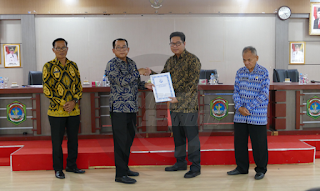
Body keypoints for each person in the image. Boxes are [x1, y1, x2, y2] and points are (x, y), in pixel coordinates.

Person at [142, 31, 201, 178]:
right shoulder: (170, 61)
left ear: (184, 44)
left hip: (188, 106)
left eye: (177, 43)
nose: (174, 46)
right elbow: (163, 78)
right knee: (178, 137)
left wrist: (179, 98)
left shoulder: (193, 60)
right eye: (172, 44)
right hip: (174, 107)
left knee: (192, 138)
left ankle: (195, 167)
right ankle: (180, 163)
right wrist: (151, 75)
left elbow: (193, 84)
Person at [105, 38, 153, 184]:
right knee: (120, 142)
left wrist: (146, 85)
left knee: (128, 140)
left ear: (128, 49)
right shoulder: (111, 64)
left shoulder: (131, 63)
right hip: (119, 108)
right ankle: (120, 175)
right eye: (118, 47)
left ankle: (125, 168)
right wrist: (138, 72)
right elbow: (120, 81)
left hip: (132, 107)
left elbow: (136, 82)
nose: (121, 49)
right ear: (113, 50)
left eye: (124, 47)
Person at [42, 38, 85, 179]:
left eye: (63, 47)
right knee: (57, 142)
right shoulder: (48, 66)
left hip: (74, 110)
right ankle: (58, 169)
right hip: (56, 111)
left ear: (67, 49)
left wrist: (74, 101)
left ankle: (72, 166)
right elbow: (47, 90)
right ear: (53, 50)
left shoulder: (73, 65)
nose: (61, 50)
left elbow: (79, 87)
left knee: (73, 140)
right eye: (58, 48)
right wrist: (63, 103)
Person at [227, 46, 270, 180]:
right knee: (239, 143)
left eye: (249, 60)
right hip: (240, 115)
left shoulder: (264, 72)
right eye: (244, 60)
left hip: (257, 115)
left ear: (256, 58)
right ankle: (241, 168)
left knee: (259, 144)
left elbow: (264, 93)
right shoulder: (240, 72)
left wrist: (249, 108)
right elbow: (236, 92)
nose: (246, 63)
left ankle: (261, 169)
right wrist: (239, 107)